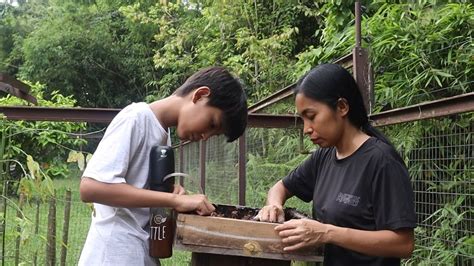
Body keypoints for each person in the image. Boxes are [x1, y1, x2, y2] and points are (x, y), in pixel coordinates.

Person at [78, 66, 248, 266]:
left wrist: (167, 195)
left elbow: (137, 190)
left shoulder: (162, 135)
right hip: (113, 253)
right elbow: (91, 187)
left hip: (139, 251)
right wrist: (172, 199)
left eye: (214, 134)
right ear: (200, 95)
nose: (205, 137)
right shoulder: (136, 118)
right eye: (211, 124)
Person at [257, 64, 416, 265]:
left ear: (342, 107)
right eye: (303, 119)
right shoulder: (323, 156)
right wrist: (274, 205)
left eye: (312, 116)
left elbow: (403, 244)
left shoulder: (381, 161)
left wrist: (327, 233)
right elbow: (280, 187)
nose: (306, 129)